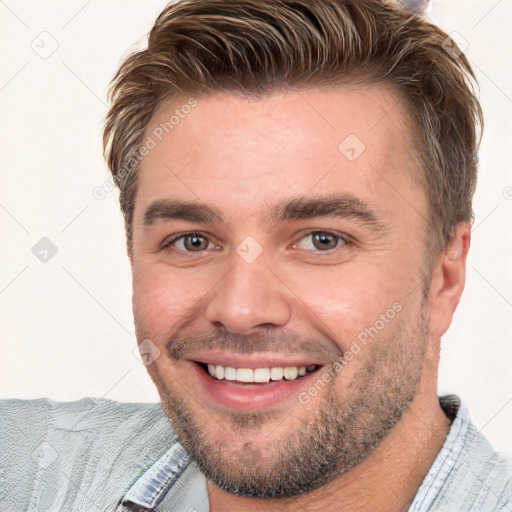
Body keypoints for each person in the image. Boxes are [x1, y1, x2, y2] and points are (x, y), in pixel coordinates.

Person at [1, 0, 511, 511]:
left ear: (445, 275)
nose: (241, 310)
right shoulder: (29, 474)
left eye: (322, 240)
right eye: (193, 241)